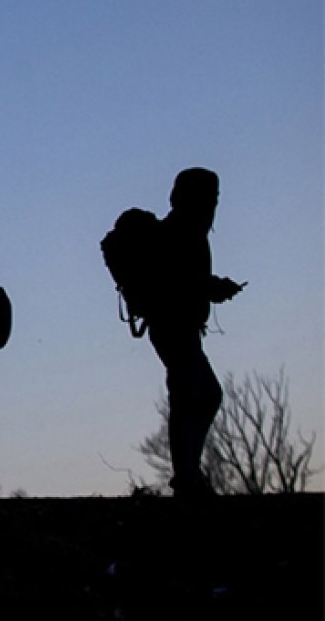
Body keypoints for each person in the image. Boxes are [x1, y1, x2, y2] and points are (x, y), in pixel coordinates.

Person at [144, 168, 244, 498]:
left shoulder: (185, 229)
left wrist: (211, 288)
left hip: (178, 325)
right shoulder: (182, 231)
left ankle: (188, 472)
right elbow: (179, 281)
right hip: (173, 325)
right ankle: (186, 477)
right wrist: (214, 288)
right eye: (211, 197)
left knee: (202, 394)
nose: (214, 204)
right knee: (189, 395)